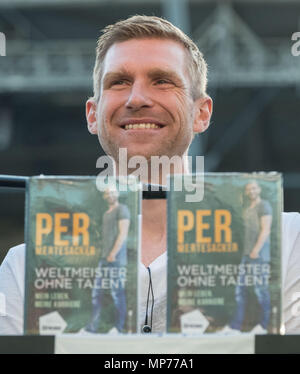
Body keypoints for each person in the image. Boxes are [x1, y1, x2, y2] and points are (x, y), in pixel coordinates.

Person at [0, 15, 300, 335]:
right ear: (92, 114)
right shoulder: (26, 264)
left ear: (202, 113)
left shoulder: (287, 241)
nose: (137, 99)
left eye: (162, 80)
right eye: (119, 82)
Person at [221, 181, 273, 334]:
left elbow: (266, 229)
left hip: (258, 255)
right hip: (245, 254)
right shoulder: (247, 208)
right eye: (249, 189)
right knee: (240, 291)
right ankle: (235, 327)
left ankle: (265, 326)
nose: (251, 191)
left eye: (254, 188)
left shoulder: (264, 206)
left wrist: (255, 250)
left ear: (259, 189)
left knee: (260, 290)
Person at [84, 186, 130, 333]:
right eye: (107, 193)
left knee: (117, 294)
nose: (110, 195)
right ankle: (92, 327)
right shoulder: (105, 213)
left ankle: (119, 327)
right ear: (104, 196)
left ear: (117, 193)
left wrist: (113, 253)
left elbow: (123, 233)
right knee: (96, 293)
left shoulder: (122, 209)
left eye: (112, 192)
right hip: (103, 259)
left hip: (115, 260)